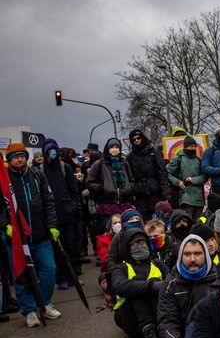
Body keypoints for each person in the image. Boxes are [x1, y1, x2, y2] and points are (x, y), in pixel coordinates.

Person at [4, 143, 61, 327]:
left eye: (22, 155)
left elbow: (49, 202)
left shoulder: (37, 174)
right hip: (17, 240)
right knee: (22, 277)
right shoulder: (4, 180)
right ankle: (28, 311)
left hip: (40, 234)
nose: (19, 159)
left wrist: (52, 225)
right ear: (9, 159)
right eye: (15, 157)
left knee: (50, 269)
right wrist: (5, 226)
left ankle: (44, 303)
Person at [110, 228, 168, 338]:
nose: (140, 246)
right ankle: (149, 331)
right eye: (135, 244)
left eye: (142, 243)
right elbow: (119, 286)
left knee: (158, 286)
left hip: (159, 316)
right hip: (131, 319)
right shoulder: (121, 268)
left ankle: (164, 329)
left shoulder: (157, 264)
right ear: (127, 247)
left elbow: (172, 282)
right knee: (136, 289)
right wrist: (151, 286)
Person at [37, 138, 82, 286]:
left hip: (67, 214)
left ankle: (73, 276)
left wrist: (72, 206)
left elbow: (74, 190)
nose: (52, 152)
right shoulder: (40, 171)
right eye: (49, 150)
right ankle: (61, 278)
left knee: (71, 246)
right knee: (56, 250)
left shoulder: (65, 167)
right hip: (51, 217)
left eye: (54, 149)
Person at [86, 137, 135, 219]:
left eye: (117, 147)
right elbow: (90, 182)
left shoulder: (124, 163)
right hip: (107, 206)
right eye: (112, 147)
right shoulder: (99, 164)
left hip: (124, 205)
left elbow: (131, 180)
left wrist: (129, 188)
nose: (114, 149)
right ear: (107, 148)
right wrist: (101, 188)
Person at [126, 129, 168, 220]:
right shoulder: (130, 157)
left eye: (138, 138)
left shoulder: (153, 152)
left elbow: (162, 172)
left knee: (158, 220)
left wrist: (165, 191)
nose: (136, 140)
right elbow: (129, 177)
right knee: (144, 221)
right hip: (140, 195)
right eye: (133, 140)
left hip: (155, 192)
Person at [166, 136, 206, 221]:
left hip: (199, 199)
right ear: (185, 147)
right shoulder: (177, 159)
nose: (193, 148)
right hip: (184, 198)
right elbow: (166, 173)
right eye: (190, 146)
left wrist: (194, 180)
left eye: (194, 146)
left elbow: (205, 176)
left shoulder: (199, 160)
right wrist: (177, 182)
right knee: (187, 222)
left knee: (198, 224)